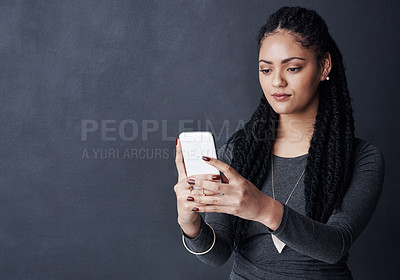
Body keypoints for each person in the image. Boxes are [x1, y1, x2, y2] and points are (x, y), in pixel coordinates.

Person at [173, 6, 385, 280]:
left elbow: (335, 245)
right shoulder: (239, 152)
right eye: (265, 69)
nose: (277, 81)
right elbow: (218, 254)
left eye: (293, 67)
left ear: (324, 66)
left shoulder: (362, 158)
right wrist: (189, 222)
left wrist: (261, 207)